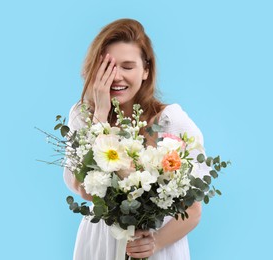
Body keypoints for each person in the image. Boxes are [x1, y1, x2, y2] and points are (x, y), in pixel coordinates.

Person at [63, 18, 206, 260]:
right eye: (107, 67)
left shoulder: (170, 121)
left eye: (127, 67)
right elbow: (84, 190)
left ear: (146, 71)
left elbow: (192, 210)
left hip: (152, 247)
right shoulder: (82, 116)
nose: (116, 77)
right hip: (99, 243)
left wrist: (155, 243)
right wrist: (99, 114)